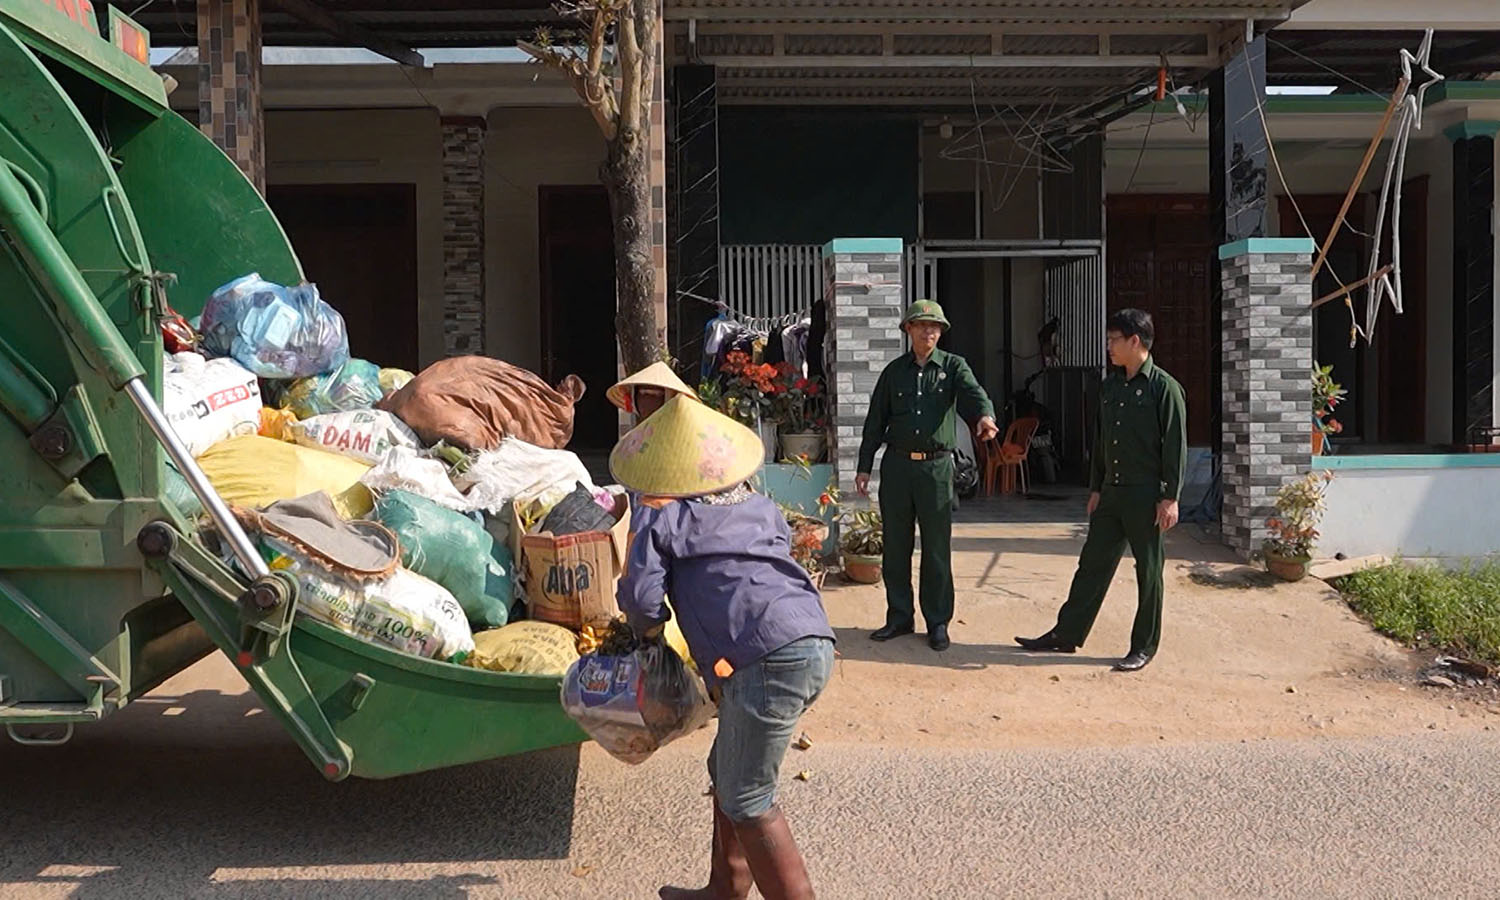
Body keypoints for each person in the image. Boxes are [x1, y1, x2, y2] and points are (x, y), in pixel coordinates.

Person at [612, 395, 835, 900]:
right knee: (725, 769)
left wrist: (646, 635)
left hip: (763, 658)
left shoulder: (659, 515)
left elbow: (644, 598)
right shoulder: (757, 503)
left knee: (750, 797)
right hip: (811, 640)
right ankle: (726, 887)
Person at [1015, 308, 1187, 672]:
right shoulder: (1110, 386)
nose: (1108, 347)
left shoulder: (1164, 389)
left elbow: (1175, 446)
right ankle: (1066, 634)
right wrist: (1095, 487)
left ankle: (1143, 646)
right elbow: (1102, 440)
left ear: (1134, 341)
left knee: (1149, 572)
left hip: (1147, 497)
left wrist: (1170, 497)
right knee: (1091, 565)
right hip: (1112, 493)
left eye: (1113, 340)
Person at [856, 300, 999, 651]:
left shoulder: (953, 367)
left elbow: (973, 395)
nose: (929, 332)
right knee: (896, 545)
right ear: (908, 330)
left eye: (935, 327)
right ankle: (899, 617)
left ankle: (938, 621)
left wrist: (984, 417)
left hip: (936, 469)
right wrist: (863, 466)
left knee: (936, 549)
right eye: (922, 325)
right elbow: (875, 421)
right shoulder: (894, 373)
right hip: (898, 467)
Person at [607, 361, 700, 424]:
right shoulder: (630, 442)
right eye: (643, 393)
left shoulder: (685, 432)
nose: (648, 401)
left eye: (657, 394)